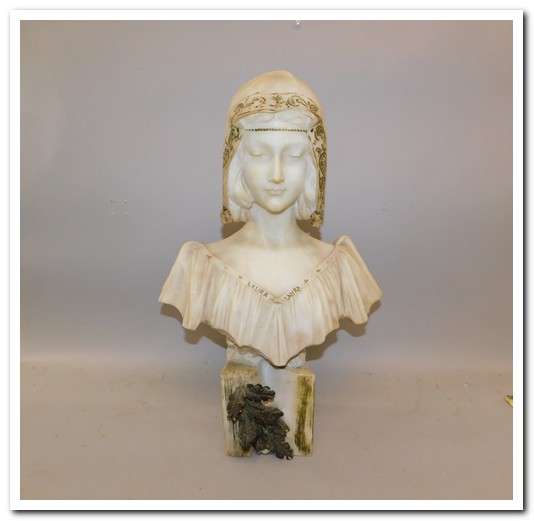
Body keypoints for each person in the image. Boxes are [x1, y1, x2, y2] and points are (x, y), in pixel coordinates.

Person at [159, 70, 382, 368]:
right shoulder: (200, 267)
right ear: (236, 163)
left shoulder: (341, 268)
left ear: (313, 167)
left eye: (293, 156)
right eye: (259, 155)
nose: (276, 175)